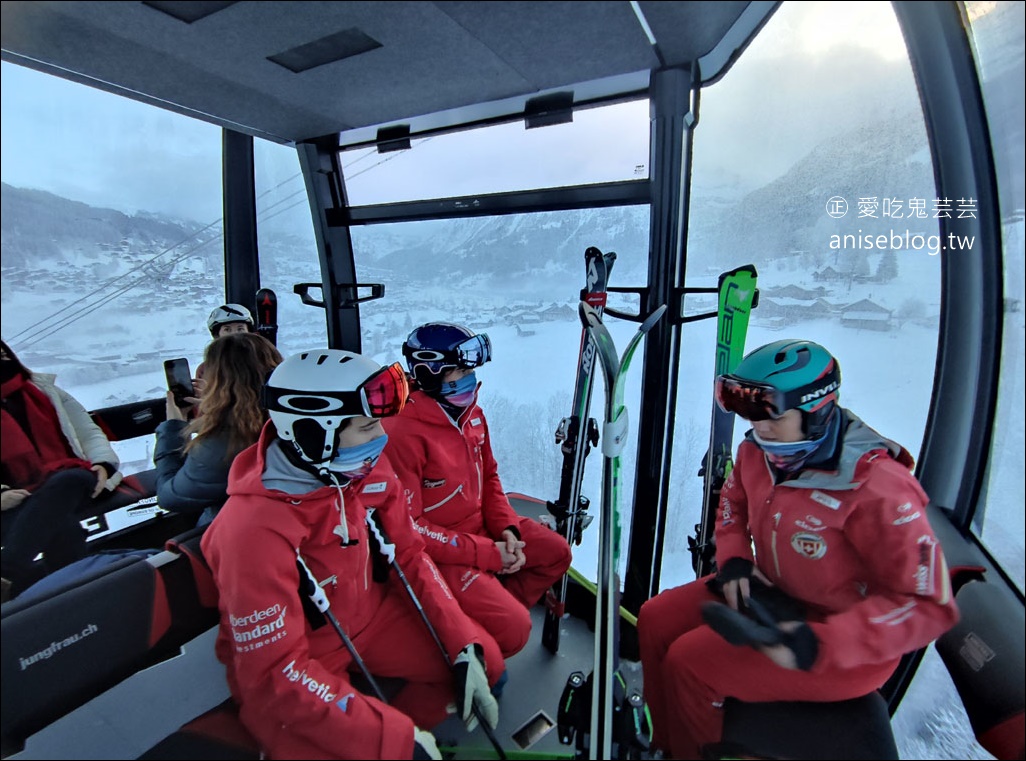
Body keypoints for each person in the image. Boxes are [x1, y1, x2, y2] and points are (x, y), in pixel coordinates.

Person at [637, 339, 961, 759]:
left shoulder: (878, 487)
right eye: (748, 412)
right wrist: (735, 559)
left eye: (770, 413)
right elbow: (732, 502)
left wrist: (819, 644)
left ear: (815, 408)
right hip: (775, 596)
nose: (758, 427)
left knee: (690, 663)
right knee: (654, 618)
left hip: (847, 644)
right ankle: (660, 742)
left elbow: (925, 603)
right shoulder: (759, 452)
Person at [201, 349, 503, 760]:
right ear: (313, 433)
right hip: (300, 657)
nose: (381, 437)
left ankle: (406, 730)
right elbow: (274, 674)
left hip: (371, 619)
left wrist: (461, 643)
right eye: (367, 426)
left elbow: (410, 558)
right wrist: (393, 741)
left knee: (485, 666)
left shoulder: (364, 474)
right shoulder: (250, 530)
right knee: (375, 744)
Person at [383, 323, 572, 659]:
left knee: (557, 553)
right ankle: (474, 641)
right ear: (428, 375)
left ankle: (478, 626)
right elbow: (411, 529)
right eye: (460, 371)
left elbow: (490, 477)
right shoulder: (401, 434)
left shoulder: (472, 415)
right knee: (515, 632)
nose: (469, 378)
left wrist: (508, 530)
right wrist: (488, 554)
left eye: (470, 370)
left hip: (482, 529)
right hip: (441, 550)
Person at [1, 339, 123, 599]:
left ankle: (7, 574)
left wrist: (103, 465)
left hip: (74, 477)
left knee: (70, 479)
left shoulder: (43, 389)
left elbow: (89, 433)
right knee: (63, 527)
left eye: (2, 354)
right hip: (17, 498)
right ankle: (72, 603)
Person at [153, 332, 282, 526]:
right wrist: (215, 411)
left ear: (217, 381)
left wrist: (174, 427)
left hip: (232, 534)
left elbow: (170, 497)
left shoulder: (223, 441)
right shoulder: (294, 420)